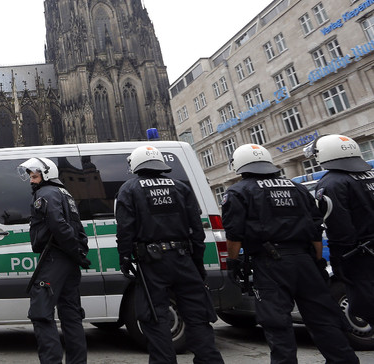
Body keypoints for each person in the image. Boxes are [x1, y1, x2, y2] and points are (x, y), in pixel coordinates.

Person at [222, 144, 358, 364]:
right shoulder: (297, 188)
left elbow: (234, 235)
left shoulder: (239, 191)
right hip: (304, 261)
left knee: (277, 323)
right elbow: (315, 231)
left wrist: (232, 263)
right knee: (323, 319)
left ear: (240, 164)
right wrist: (316, 262)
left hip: (270, 264)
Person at [115, 146, 223, 364]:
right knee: (197, 316)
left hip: (152, 264)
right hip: (184, 259)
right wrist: (196, 262)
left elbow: (125, 229)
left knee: (154, 318)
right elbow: (197, 230)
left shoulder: (129, 189)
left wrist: (125, 257)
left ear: (136, 164)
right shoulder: (181, 187)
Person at [18, 156, 91, 364]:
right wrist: (78, 252)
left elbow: (58, 225)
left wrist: (72, 250)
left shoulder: (45, 193)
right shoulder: (65, 193)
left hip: (54, 258)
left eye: (34, 176)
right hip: (69, 261)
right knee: (72, 316)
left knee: (41, 313)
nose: (31, 181)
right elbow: (78, 227)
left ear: (46, 174)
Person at [304, 134, 374, 327]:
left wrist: (338, 260)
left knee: (366, 307)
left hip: (361, 258)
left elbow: (340, 228)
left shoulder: (331, 184)